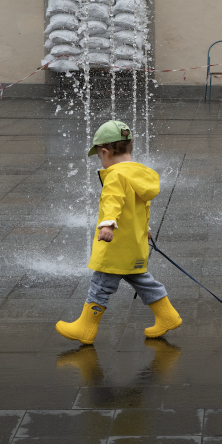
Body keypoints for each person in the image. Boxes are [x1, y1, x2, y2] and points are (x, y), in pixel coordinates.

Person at [55, 120, 182, 345]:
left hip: (115, 244)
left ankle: (86, 328)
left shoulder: (115, 175)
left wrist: (107, 226)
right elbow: (140, 207)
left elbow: (113, 202)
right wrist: (147, 230)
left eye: (99, 156)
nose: (100, 161)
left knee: (100, 284)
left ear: (105, 152)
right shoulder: (139, 174)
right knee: (142, 281)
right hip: (134, 243)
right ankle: (167, 316)